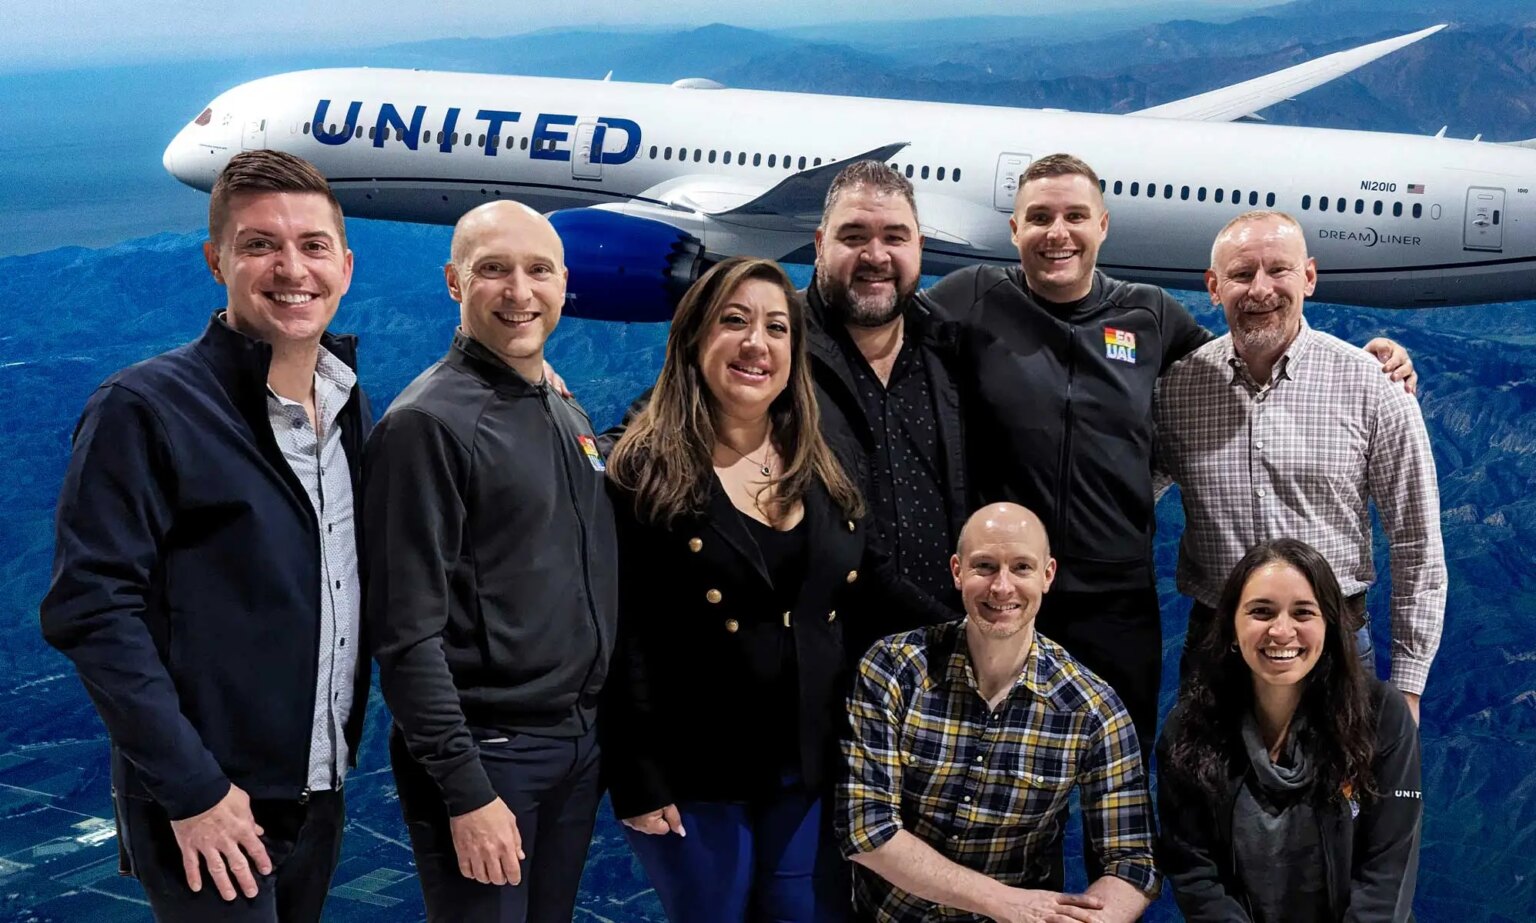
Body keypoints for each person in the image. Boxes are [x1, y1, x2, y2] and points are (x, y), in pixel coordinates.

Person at [920, 153, 1414, 756]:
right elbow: (882, 334)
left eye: (1075, 215)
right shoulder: (972, 296)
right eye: (1039, 217)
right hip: (1004, 590)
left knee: (1123, 770)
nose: (1058, 232)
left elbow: (1253, 357)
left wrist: (1367, 364)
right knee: (989, 770)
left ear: (1103, 225)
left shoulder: (1149, 313)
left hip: (1117, 601)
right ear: (1013, 229)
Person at [40, 149, 370, 921]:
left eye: (312, 245)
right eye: (260, 245)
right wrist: (194, 792)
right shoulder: (143, 407)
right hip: (208, 806)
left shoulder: (347, 401)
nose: (292, 268)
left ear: (346, 266)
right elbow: (91, 611)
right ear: (215, 261)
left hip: (317, 790)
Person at [363, 200, 616, 923]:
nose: (519, 291)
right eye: (493, 270)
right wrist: (466, 789)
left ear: (565, 281)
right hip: (490, 756)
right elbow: (405, 634)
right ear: (453, 282)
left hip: (575, 746)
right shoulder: (427, 425)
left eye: (539, 270)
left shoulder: (556, 404)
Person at [602, 257, 871, 923]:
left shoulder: (819, 461)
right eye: (735, 321)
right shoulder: (642, 468)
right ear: (693, 338)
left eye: (777, 328)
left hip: (805, 767)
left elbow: (854, 600)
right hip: (692, 774)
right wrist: (638, 778)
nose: (758, 343)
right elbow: (622, 633)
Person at [1155, 211, 1445, 722]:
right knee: (1203, 798)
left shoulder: (1374, 387)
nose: (1260, 289)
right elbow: (1120, 494)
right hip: (1216, 650)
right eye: (1242, 274)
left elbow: (1417, 544)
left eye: (1279, 271)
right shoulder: (1178, 389)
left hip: (1335, 646)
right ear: (1214, 287)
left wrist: (1409, 688)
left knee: (1344, 800)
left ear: (1309, 277)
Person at [838, 502, 1160, 923]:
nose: (1002, 587)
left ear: (1048, 575)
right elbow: (867, 829)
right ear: (957, 572)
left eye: (1022, 567)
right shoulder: (894, 667)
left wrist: (1085, 919)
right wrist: (1007, 902)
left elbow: (1133, 862)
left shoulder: (1092, 707)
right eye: (985, 566)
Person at [1157, 538, 1422, 921]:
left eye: (1303, 613)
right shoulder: (1188, 730)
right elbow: (1197, 875)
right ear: (1231, 626)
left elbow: (1387, 873)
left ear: (1330, 625)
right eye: (1261, 612)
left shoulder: (1382, 715)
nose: (1282, 631)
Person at [808, 161, 968, 630]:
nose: (875, 256)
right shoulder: (773, 348)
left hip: (944, 655)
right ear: (820, 246)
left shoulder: (957, 351)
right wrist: (580, 444)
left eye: (895, 238)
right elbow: (664, 421)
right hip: (820, 657)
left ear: (919, 247)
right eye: (854, 236)